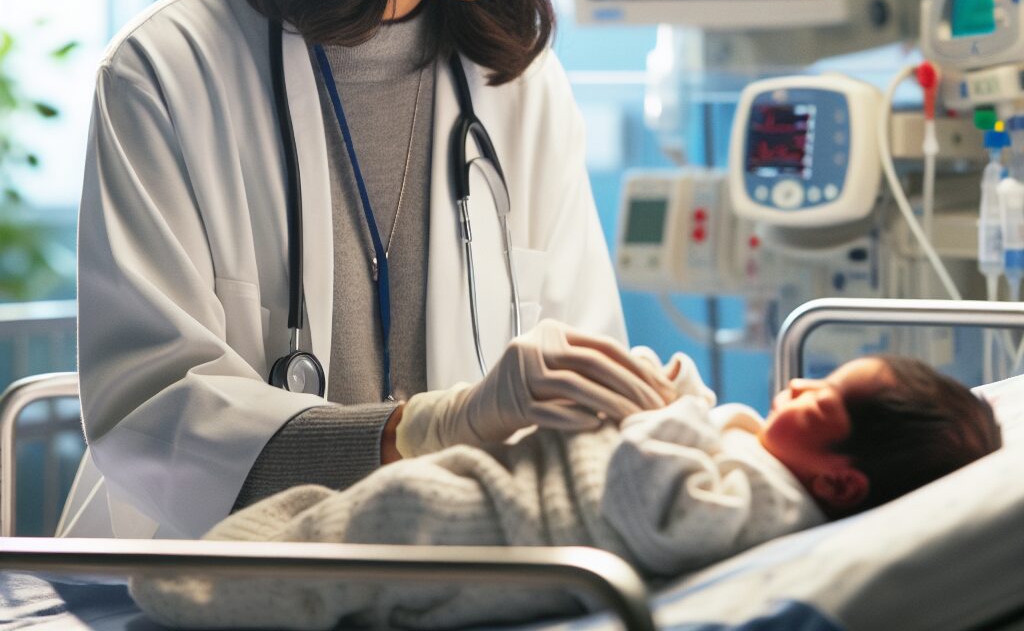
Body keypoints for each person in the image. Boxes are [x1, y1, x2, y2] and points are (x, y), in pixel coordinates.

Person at [63, 0, 678, 540]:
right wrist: (426, 427)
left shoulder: (519, 87)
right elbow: (152, 411)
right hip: (221, 570)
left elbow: (581, 363)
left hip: (456, 563)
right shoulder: (170, 70)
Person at [129, 351, 1002, 630]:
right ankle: (240, 563)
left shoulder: (769, 500)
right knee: (337, 521)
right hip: (500, 483)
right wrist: (681, 399)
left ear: (842, 479)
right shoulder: (766, 462)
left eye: (823, 401)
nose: (797, 389)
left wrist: (681, 417)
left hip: (496, 525)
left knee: (377, 532)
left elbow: (662, 509)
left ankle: (213, 591)